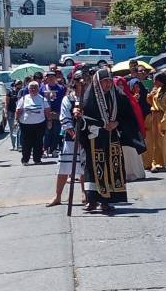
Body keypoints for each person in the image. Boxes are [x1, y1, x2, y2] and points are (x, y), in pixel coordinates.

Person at [79, 68, 145, 213]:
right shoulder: (88, 97)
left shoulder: (118, 96)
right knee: (92, 169)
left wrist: (116, 123)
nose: (108, 84)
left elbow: (127, 116)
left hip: (112, 138)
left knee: (110, 168)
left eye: (110, 81)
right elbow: (84, 118)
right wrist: (80, 117)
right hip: (94, 138)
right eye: (105, 82)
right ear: (98, 83)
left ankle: (106, 201)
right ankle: (92, 200)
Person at [46, 71, 87, 207]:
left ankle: (85, 193)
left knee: (84, 167)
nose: (82, 83)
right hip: (71, 139)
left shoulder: (89, 97)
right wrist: (74, 135)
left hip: (87, 137)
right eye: (79, 80)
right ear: (74, 82)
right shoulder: (68, 99)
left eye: (84, 80)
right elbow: (64, 118)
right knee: (64, 168)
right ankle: (58, 196)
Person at [114, 76, 146, 182]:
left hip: (130, 129)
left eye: (122, 84)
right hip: (118, 128)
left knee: (130, 151)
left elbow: (136, 115)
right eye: (118, 85)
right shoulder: (113, 98)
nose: (120, 87)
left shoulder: (129, 98)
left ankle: (134, 173)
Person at [16, 81, 51, 166]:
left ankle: (37, 159)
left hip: (39, 124)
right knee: (26, 143)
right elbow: (18, 110)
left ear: (38, 89)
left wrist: (49, 121)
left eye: (35, 87)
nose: (33, 89)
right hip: (25, 125)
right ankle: (25, 160)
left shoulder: (42, 99)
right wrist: (16, 120)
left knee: (38, 142)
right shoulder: (24, 98)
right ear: (28, 89)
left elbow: (47, 111)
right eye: (31, 88)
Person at [42, 71, 67, 158]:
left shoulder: (61, 88)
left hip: (57, 114)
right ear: (46, 78)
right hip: (45, 114)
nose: (51, 78)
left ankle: (53, 149)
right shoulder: (42, 88)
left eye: (53, 77)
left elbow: (64, 101)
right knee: (46, 133)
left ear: (55, 78)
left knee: (56, 133)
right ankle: (45, 149)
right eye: (49, 77)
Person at [6, 80, 23, 151]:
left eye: (20, 84)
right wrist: (6, 112)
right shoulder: (10, 92)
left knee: (19, 129)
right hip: (11, 112)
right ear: (15, 84)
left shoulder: (22, 92)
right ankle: (13, 145)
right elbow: (7, 102)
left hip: (19, 112)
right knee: (12, 129)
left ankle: (19, 145)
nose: (19, 85)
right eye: (18, 84)